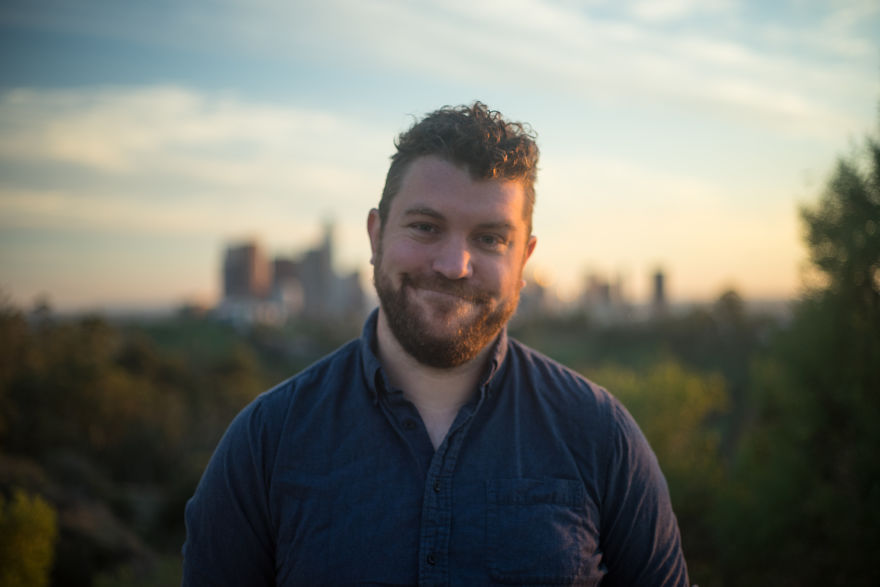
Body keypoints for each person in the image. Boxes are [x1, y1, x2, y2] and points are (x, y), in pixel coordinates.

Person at [182, 102, 690, 586]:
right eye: (425, 227)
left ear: (524, 260)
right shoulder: (265, 443)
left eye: (490, 238)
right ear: (376, 236)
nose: (453, 266)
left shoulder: (601, 436)